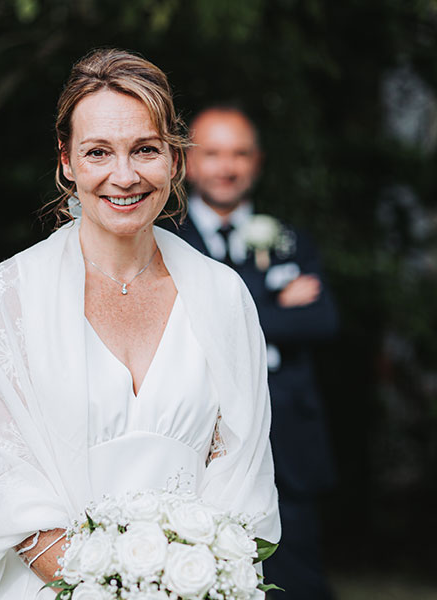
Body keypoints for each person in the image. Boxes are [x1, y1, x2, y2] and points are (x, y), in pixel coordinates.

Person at [0, 51, 280, 600]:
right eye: (98, 152)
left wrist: (185, 585)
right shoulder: (13, 292)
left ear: (175, 161)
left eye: (146, 150)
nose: (123, 176)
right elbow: (8, 479)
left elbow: (241, 476)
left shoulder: (223, 294)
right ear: (67, 161)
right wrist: (111, 591)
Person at [166, 106, 339, 599]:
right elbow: (183, 326)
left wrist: (236, 310)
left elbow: (323, 321)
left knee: (300, 581)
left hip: (289, 442)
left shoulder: (290, 240)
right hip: (197, 441)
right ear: (187, 162)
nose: (227, 166)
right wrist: (270, 299)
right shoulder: (168, 242)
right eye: (213, 153)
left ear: (257, 162)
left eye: (240, 153)